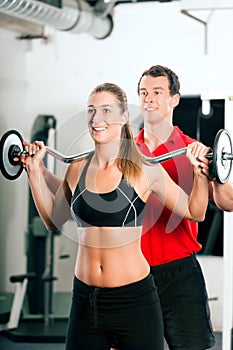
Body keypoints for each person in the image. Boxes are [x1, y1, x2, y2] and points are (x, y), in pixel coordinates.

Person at [21, 82, 209, 350]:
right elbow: (53, 219)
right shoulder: (76, 168)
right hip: (85, 301)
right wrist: (33, 170)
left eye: (106, 111)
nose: (97, 119)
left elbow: (195, 211)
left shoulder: (145, 170)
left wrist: (200, 174)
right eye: (91, 111)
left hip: (134, 301)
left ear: (123, 117)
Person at [134, 64, 233, 350]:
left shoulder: (195, 150)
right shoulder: (126, 151)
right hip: (132, 272)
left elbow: (227, 202)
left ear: (174, 99)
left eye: (157, 92)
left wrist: (212, 171)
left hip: (179, 273)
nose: (148, 99)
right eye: (143, 92)